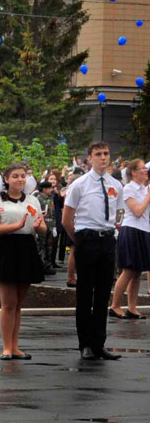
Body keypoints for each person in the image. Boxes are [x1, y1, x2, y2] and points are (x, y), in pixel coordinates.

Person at [61, 141, 123, 361]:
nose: (103, 158)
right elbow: (67, 218)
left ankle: (99, 343)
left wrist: (113, 232)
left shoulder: (115, 183)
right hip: (87, 238)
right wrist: (78, 240)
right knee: (85, 293)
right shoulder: (80, 184)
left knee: (104, 293)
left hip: (107, 239)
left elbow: (119, 212)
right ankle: (85, 343)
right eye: (98, 154)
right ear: (90, 158)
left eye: (106, 153)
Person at [0, 163, 47, 360]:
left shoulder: (32, 201)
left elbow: (43, 229)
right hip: (6, 249)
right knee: (8, 303)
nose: (20, 180)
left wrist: (38, 226)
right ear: (6, 179)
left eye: (23, 176)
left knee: (19, 303)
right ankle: (6, 347)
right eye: (15, 176)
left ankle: (15, 345)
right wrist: (15, 225)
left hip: (26, 248)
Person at [110, 158, 150, 320]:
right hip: (131, 229)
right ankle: (115, 305)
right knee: (128, 270)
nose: (145, 171)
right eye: (141, 168)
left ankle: (132, 307)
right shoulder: (129, 189)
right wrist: (148, 196)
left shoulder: (143, 189)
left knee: (137, 271)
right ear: (133, 172)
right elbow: (137, 211)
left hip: (144, 230)